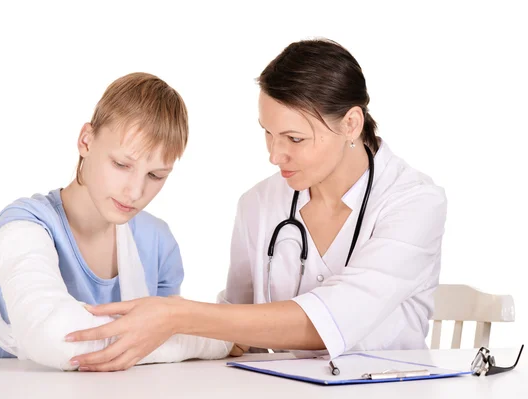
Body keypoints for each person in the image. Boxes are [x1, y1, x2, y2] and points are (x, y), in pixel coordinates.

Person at [64, 38, 448, 372]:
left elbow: (329, 322)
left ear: (351, 124)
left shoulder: (414, 204)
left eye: (294, 139)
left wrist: (175, 315)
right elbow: (237, 331)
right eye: (268, 133)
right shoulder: (259, 204)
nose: (275, 155)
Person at [0, 72, 232, 370]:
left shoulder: (158, 242)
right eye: (122, 164)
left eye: (155, 176)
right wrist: (219, 340)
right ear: (86, 141)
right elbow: (56, 338)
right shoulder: (24, 226)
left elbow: (163, 352)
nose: (136, 192)